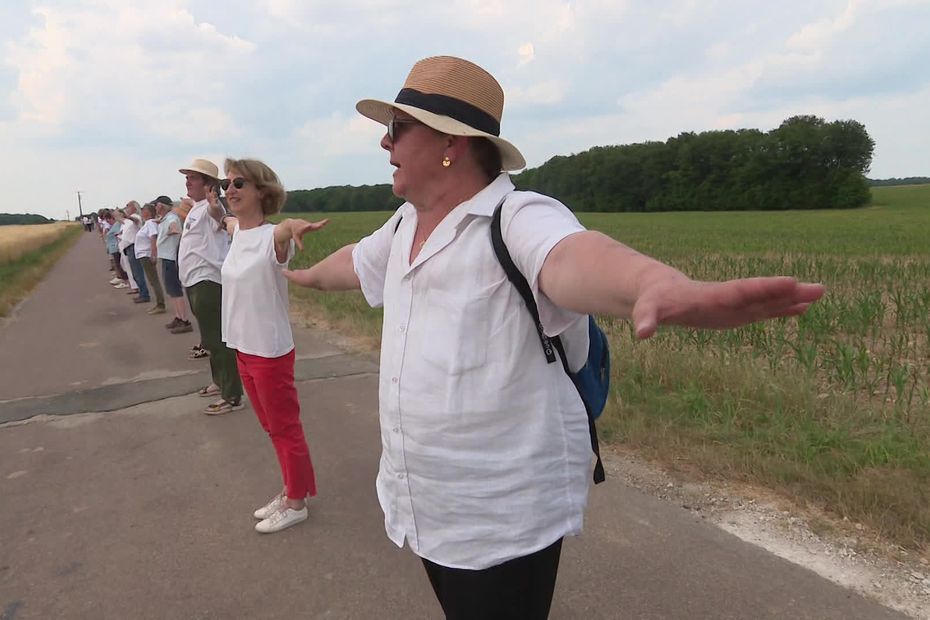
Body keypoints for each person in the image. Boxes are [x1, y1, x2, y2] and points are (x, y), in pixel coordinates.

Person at [282, 56, 826, 618]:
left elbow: (571, 257)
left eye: (397, 128)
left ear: (451, 142)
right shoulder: (403, 226)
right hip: (422, 497)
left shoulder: (516, 218)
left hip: (501, 514)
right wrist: (300, 277)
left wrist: (653, 284)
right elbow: (354, 265)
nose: (384, 142)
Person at [213, 158, 326, 532]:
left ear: (262, 190)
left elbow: (283, 232)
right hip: (243, 346)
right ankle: (293, 488)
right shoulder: (238, 232)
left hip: (269, 350)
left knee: (284, 427)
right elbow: (229, 223)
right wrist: (217, 212)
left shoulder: (271, 237)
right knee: (271, 427)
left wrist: (295, 225)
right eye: (226, 185)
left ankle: (296, 504)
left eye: (238, 184)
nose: (230, 191)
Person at [176, 158, 243, 414]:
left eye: (193, 177)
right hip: (194, 281)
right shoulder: (195, 208)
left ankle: (232, 395)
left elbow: (221, 217)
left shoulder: (211, 207)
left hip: (208, 281)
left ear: (208, 185)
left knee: (218, 339)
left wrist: (217, 207)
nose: (187, 181)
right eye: (187, 177)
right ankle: (219, 382)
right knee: (209, 339)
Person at [154, 196, 193, 332]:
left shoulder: (171, 218)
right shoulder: (166, 218)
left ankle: (184, 320)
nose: (155, 208)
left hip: (170, 258)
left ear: (162, 206)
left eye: (157, 205)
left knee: (175, 290)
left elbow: (174, 226)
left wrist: (175, 231)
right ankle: (178, 317)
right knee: (171, 290)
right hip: (166, 257)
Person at [135, 203, 166, 315]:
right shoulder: (147, 224)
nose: (142, 212)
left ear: (148, 212)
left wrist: (153, 254)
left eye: (143, 210)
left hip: (147, 255)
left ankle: (160, 304)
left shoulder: (150, 223)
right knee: (153, 280)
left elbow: (153, 238)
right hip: (144, 255)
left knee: (154, 280)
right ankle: (159, 303)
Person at [120, 202, 149, 304]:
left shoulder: (135, 217)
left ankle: (144, 294)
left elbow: (137, 221)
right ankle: (142, 293)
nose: (126, 208)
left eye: (128, 206)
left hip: (133, 247)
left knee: (138, 272)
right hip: (128, 247)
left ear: (133, 208)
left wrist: (128, 216)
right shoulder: (129, 220)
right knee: (134, 273)